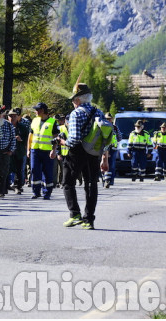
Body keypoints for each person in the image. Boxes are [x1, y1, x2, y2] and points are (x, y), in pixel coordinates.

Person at [59, 82, 108, 230]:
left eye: (74, 99)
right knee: (91, 184)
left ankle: (75, 214)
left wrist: (64, 142)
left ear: (79, 99)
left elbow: (74, 137)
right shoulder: (98, 112)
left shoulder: (76, 113)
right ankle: (89, 220)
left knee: (67, 183)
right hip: (93, 152)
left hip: (77, 151)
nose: (73, 102)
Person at [27, 102, 59, 200]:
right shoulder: (34, 121)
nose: (35, 112)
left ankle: (47, 192)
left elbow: (56, 138)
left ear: (43, 110)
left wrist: (54, 150)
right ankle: (36, 192)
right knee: (34, 170)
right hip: (35, 150)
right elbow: (30, 136)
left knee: (47, 172)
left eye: (37, 110)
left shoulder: (53, 122)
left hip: (47, 151)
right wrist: (28, 149)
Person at [0, 105, 16, 198]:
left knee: (3, 172)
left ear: (2, 114)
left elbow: (12, 139)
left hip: (5, 152)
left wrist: (11, 150)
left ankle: (1, 191)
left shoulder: (8, 125)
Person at [8, 108, 28, 195]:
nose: (12, 118)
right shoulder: (5, 126)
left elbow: (28, 139)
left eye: (14, 116)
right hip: (8, 151)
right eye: (10, 116)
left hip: (19, 151)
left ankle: (18, 186)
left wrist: (21, 139)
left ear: (18, 117)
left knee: (19, 170)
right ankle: (6, 186)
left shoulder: (23, 127)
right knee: (7, 169)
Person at [103, 113, 122, 188]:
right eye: (107, 119)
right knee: (104, 164)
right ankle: (105, 180)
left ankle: (110, 180)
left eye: (109, 119)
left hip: (113, 149)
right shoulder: (102, 127)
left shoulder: (115, 128)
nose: (108, 120)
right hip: (104, 148)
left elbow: (120, 137)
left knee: (112, 165)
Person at [54, 114, 68, 188]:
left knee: (64, 169)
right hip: (61, 152)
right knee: (60, 169)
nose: (62, 121)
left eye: (63, 119)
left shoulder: (71, 128)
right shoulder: (60, 128)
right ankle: (59, 182)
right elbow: (58, 142)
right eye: (61, 119)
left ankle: (64, 181)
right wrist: (58, 153)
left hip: (69, 153)